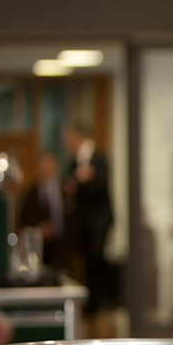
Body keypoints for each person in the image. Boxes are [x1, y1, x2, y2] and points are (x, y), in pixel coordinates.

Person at [63, 123, 115, 313]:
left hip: (98, 220)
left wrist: (84, 181)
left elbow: (100, 186)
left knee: (97, 258)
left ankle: (101, 303)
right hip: (81, 222)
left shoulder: (99, 159)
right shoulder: (74, 161)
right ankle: (90, 304)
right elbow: (69, 186)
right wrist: (78, 180)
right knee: (85, 261)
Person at [20, 152, 66, 270]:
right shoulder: (32, 191)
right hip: (40, 243)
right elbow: (24, 216)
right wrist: (39, 227)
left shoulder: (65, 188)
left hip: (62, 243)